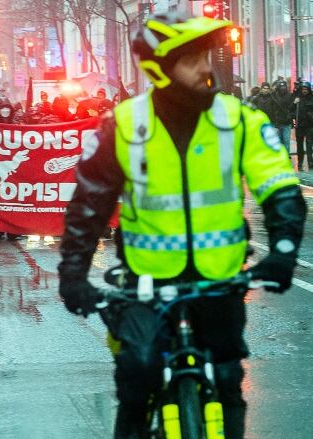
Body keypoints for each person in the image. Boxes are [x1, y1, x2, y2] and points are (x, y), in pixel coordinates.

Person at [56, 14, 305, 439]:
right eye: (191, 60)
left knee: (228, 380)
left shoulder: (239, 119)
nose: (205, 67)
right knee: (137, 375)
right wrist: (73, 275)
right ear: (158, 70)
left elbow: (280, 188)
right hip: (146, 282)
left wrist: (283, 252)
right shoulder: (122, 125)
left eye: (205, 56)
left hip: (220, 279)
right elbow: (89, 205)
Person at [253, 81, 294, 151]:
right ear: (261, 89)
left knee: (273, 142)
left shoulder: (273, 98)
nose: (265, 90)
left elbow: (277, 110)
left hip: (271, 123)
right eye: (264, 88)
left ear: (269, 89)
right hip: (259, 123)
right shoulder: (257, 98)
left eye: (267, 88)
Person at [292, 81, 313, 170]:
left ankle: (310, 163)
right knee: (299, 145)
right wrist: (294, 103)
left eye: (306, 89)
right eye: (303, 89)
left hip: (309, 125)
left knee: (309, 145)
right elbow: (291, 109)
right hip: (299, 125)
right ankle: (300, 164)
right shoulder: (297, 98)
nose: (304, 90)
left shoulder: (312, 98)